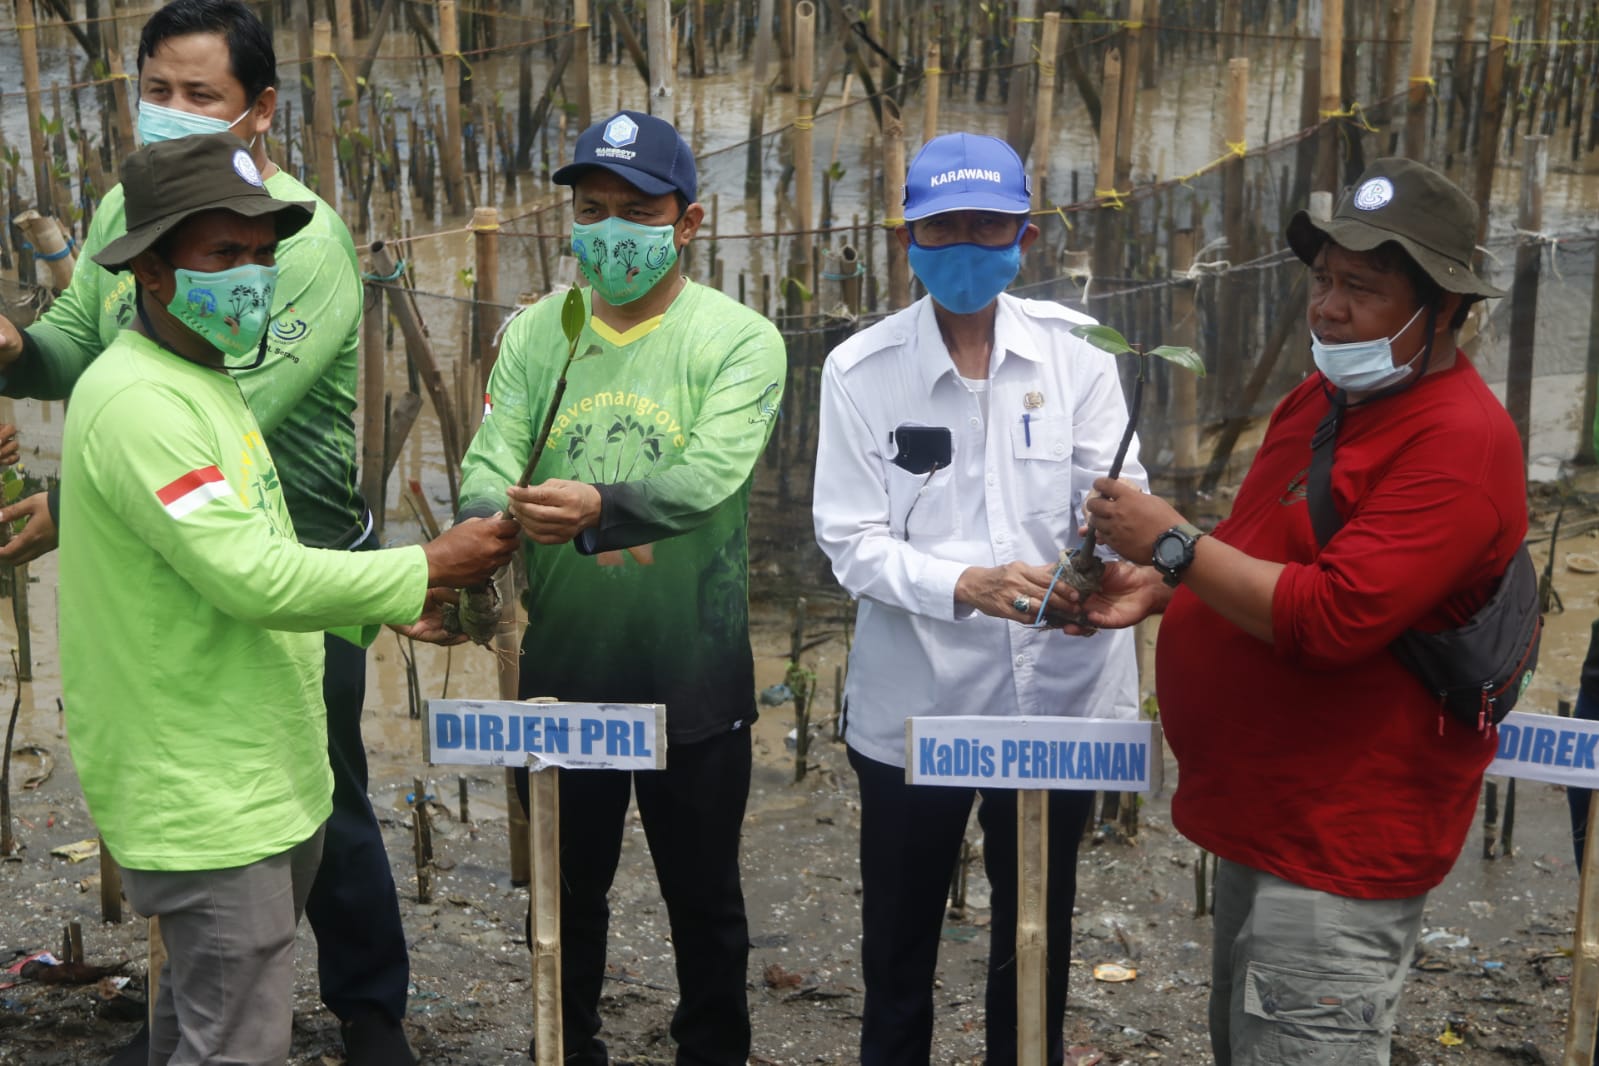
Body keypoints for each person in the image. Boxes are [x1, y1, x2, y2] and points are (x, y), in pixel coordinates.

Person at [0, 2, 421, 1060]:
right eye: (159, 90)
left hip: (299, 535)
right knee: (207, 785)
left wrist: (78, 502)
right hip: (169, 519)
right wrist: (10, 348)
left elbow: (235, 393)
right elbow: (74, 349)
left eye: (203, 96)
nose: (175, 114)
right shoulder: (128, 213)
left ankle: (370, 1008)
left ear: (261, 110)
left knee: (314, 781)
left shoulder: (298, 238)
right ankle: (207, 1006)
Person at [58, 131, 519, 1066]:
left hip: (260, 768)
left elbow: (245, 556)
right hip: (204, 792)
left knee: (192, 1021)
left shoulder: (203, 378)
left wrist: (374, 610)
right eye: (222, 255)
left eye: (264, 256)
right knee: (238, 1043)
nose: (253, 278)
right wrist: (424, 564)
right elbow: (250, 576)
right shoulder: (141, 402)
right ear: (150, 267)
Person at [1074, 157, 1522, 1065]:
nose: (1326, 308)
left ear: (1442, 306)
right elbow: (1260, 542)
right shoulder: (1326, 397)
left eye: (1361, 287)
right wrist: (1164, 585)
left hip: (1343, 838)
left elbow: (1330, 618)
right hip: (1267, 812)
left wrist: (1168, 542)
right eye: (1322, 279)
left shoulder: (1460, 444)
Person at [454, 110, 786, 1065]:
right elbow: (490, 459)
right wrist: (484, 530)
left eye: (637, 211)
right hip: (564, 667)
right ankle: (567, 1046)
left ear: (688, 222)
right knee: (563, 891)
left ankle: (712, 1050)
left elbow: (705, 479)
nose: (610, 231)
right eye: (591, 209)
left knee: (705, 898)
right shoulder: (538, 333)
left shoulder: (739, 339)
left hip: (695, 670)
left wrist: (597, 506)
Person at [810, 131, 1144, 1065]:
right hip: (919, 706)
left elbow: (1119, 497)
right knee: (899, 944)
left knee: (1037, 932)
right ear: (907, 240)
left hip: (1060, 699)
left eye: (984, 226)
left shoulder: (1077, 354)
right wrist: (964, 582)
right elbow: (848, 541)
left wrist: (1119, 565)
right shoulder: (860, 370)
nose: (963, 247)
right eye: (941, 228)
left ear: (1023, 236)